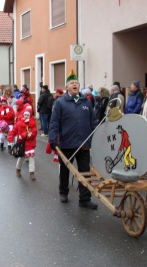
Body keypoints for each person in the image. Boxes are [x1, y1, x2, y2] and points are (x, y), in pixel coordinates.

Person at [48, 69, 98, 209]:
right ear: (67, 87)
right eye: (72, 83)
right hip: (66, 143)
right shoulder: (60, 102)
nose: (75, 84)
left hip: (84, 143)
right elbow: (54, 122)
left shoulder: (86, 102)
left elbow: (93, 122)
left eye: (76, 82)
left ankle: (85, 199)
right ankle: (63, 192)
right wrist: (52, 138)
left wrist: (97, 137)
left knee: (84, 172)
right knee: (64, 170)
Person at [8, 109, 38, 180]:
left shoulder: (32, 124)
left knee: (31, 159)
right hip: (22, 144)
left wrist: (23, 135)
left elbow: (33, 133)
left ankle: (32, 173)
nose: (26, 116)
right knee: (21, 158)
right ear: (23, 115)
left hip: (30, 144)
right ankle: (18, 170)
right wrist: (10, 138)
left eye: (28, 115)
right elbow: (13, 131)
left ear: (30, 116)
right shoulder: (19, 123)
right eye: (25, 115)